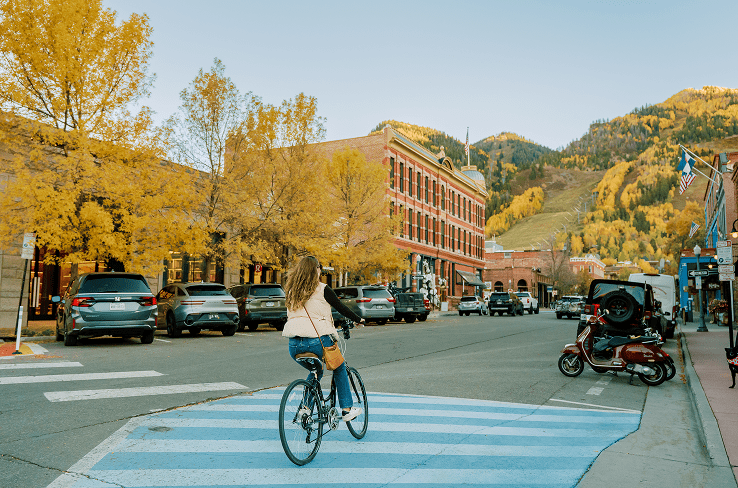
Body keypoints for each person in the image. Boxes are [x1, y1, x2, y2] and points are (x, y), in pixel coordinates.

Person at [282, 255, 364, 422]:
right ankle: (347, 409)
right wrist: (358, 319)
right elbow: (340, 307)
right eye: (319, 267)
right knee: (339, 367)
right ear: (316, 270)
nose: (320, 270)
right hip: (317, 341)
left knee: (315, 371)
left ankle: (305, 409)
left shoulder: (291, 291)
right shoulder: (322, 289)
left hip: (294, 345)